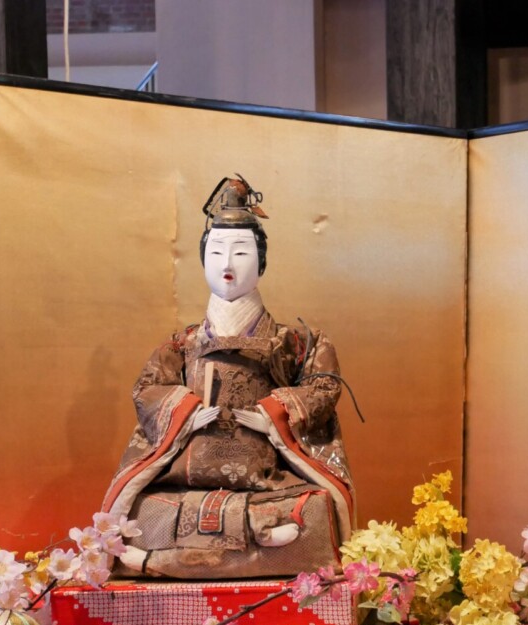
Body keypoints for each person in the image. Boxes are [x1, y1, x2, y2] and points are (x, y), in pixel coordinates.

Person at [102, 176, 354, 579]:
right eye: (217, 251)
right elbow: (147, 389)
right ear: (204, 260)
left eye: (241, 251)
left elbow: (323, 387)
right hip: (187, 482)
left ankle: (160, 562)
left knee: (313, 511)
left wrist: (274, 415)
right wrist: (184, 413)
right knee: (140, 512)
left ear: (262, 262)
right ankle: (260, 543)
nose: (227, 264)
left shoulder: (295, 342)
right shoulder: (182, 344)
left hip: (268, 481)